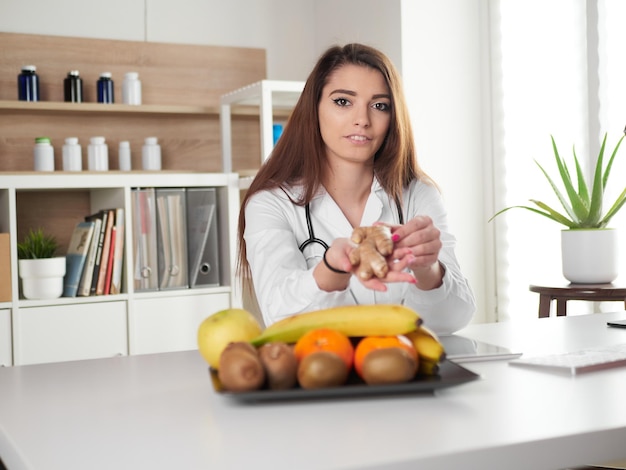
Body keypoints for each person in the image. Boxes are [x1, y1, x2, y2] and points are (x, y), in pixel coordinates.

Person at [237, 43, 475, 335]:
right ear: (314, 109)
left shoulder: (418, 195)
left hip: (401, 369)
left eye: (379, 105)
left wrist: (427, 269)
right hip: (320, 371)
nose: (362, 119)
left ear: (392, 117)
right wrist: (330, 269)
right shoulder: (271, 204)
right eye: (343, 102)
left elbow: (455, 318)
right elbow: (280, 318)